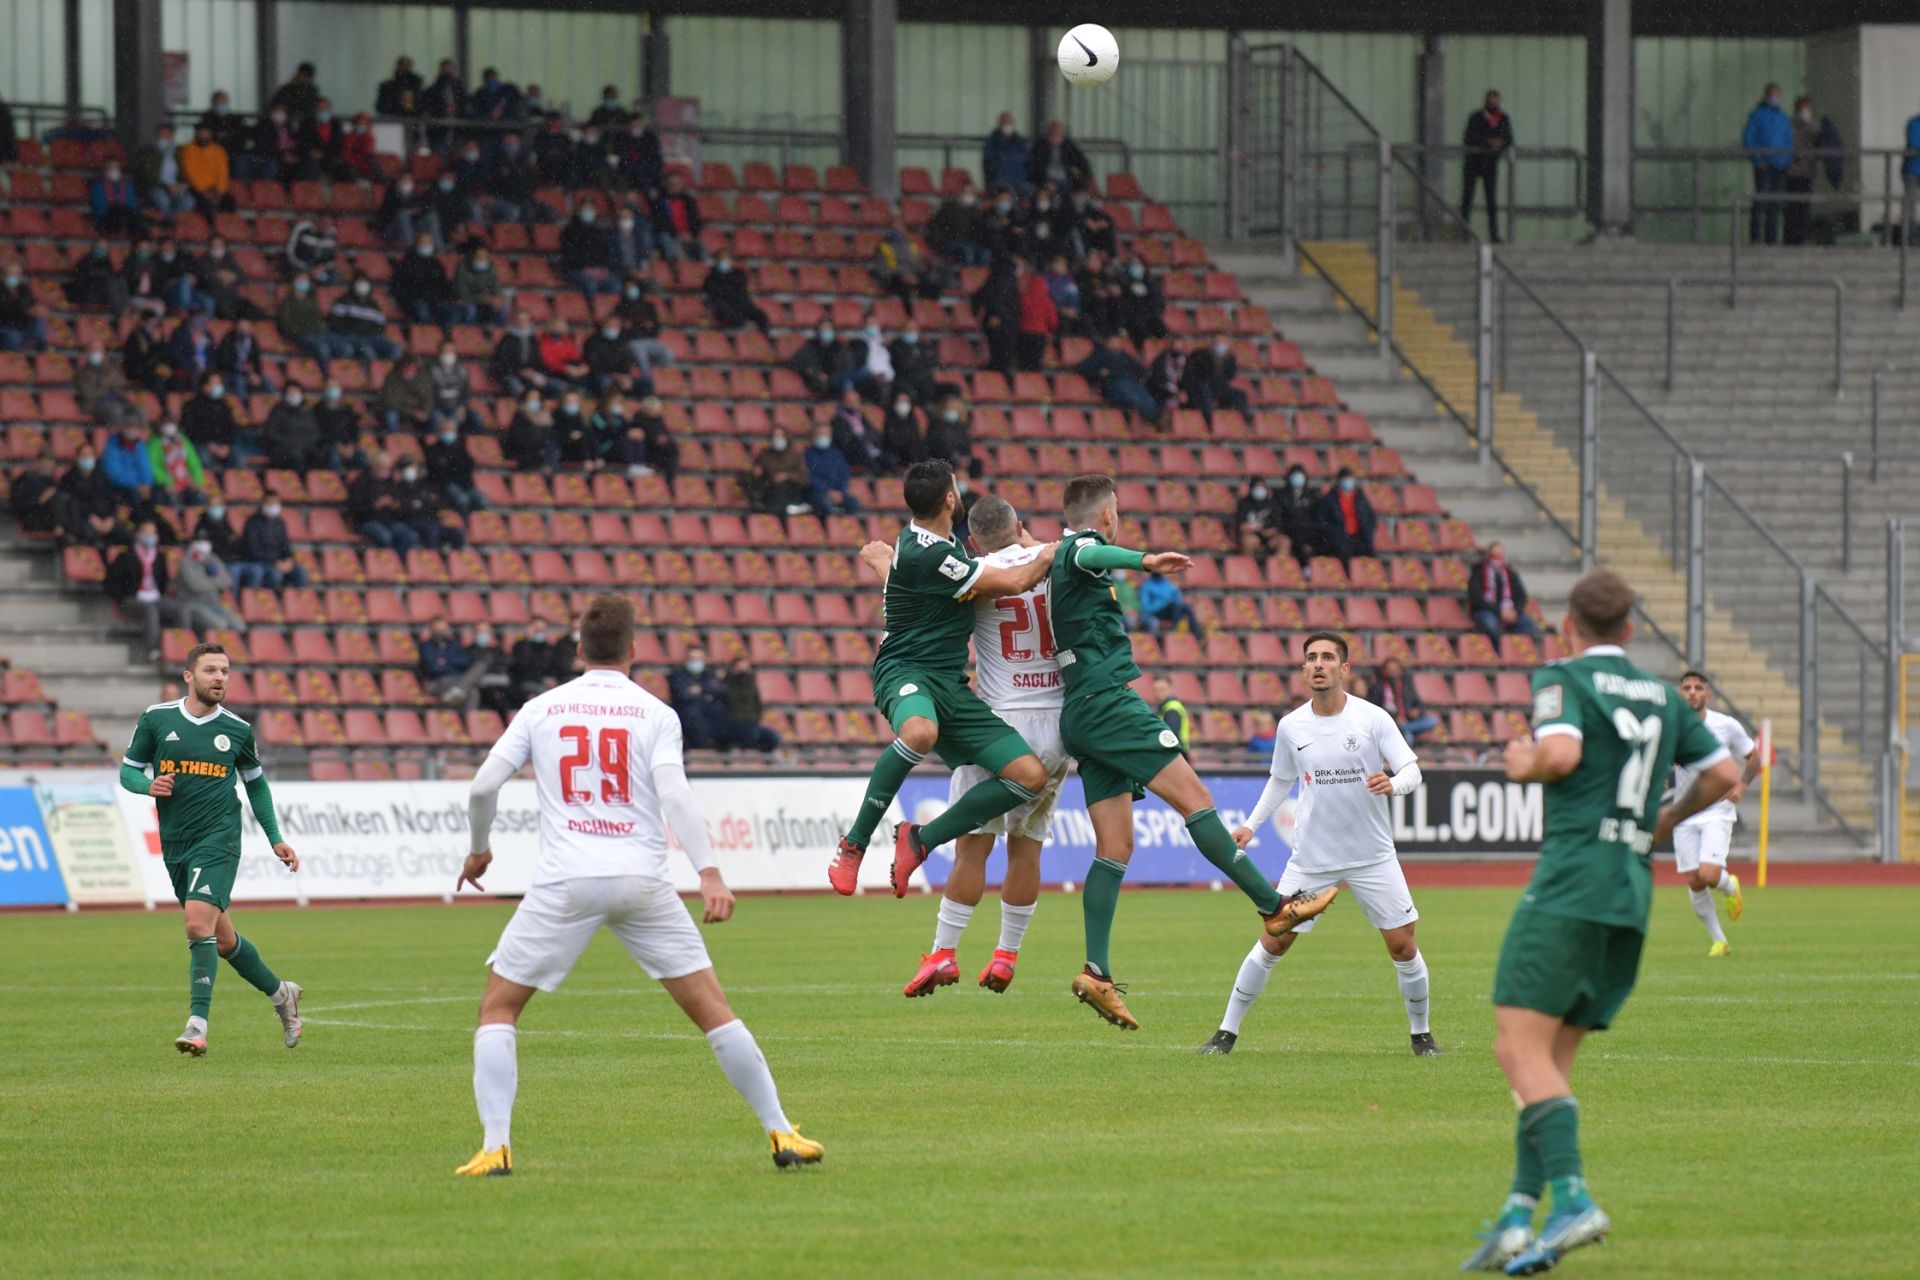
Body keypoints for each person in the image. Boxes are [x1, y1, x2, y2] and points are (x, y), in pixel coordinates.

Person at [454, 594, 823, 1176]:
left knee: (498, 1009)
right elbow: (674, 794)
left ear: (578, 648)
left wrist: (479, 850)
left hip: (565, 881)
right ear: (634, 651)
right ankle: (781, 1131)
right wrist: (708, 871)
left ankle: (495, 1146)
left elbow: (481, 788)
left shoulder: (541, 708)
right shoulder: (655, 712)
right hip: (641, 879)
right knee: (714, 1011)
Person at [1458, 568, 1737, 1274]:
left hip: (1571, 882)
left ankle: (1576, 1200)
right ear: (1632, 630)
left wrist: (1523, 764)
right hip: (1628, 892)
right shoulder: (1665, 696)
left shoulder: (1563, 678)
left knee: (1515, 1050)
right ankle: (1522, 1214)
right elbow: (1727, 774)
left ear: (1567, 629)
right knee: (1549, 1062)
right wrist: (1663, 821)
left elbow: (1560, 753)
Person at [1035, 474, 1335, 1030]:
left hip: (1079, 712)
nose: (1116, 518)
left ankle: (1096, 970)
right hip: (1106, 704)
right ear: (1105, 514)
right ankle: (1273, 906)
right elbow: (1090, 550)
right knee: (1195, 797)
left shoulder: (1056, 556)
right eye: (1116, 510)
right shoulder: (1079, 547)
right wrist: (1145, 560)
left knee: (1116, 845)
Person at [856, 495, 1066, 997]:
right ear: (1019, 524)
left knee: (974, 848)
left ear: (971, 540)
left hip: (998, 722)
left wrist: (882, 559)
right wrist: (1039, 542)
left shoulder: (972, 571)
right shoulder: (1056, 562)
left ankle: (944, 951)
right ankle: (1005, 956)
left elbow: (912, 590)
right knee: (1027, 848)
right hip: (1057, 725)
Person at [826, 460, 1062, 899]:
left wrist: (887, 566)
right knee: (919, 731)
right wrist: (1052, 551)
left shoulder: (937, 546)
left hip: (951, 686)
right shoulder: (931, 553)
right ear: (951, 499)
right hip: (906, 671)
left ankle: (919, 839)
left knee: (1030, 776)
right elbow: (1012, 581)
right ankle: (854, 843)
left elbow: (918, 588)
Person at [1202, 632, 1434, 1056]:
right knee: (1274, 939)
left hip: (1373, 856)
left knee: (1403, 945)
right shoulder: (1292, 726)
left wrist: (1394, 784)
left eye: (1328, 657)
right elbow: (1280, 780)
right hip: (1312, 858)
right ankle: (1225, 1034)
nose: (1319, 664)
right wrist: (1251, 826)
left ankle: (1422, 1036)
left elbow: (1412, 770)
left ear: (1345, 669)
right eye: (1311, 658)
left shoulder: (1373, 718)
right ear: (1304, 669)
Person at [118, 643, 304, 1057]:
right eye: (210, 670)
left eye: (224, 670)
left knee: (196, 926)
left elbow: (255, 783)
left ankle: (197, 1026)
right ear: (189, 676)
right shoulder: (157, 719)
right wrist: (147, 786)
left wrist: (275, 837)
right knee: (222, 940)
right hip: (176, 842)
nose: (220, 677)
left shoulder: (237, 729)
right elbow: (129, 771)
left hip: (219, 838)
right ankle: (282, 996)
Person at [1671, 672, 1763, 956]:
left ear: (1708, 695)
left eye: (1698, 688)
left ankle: (1729, 885)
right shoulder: (1672, 726)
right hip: (1685, 812)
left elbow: (1754, 757)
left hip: (1717, 811)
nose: (1692, 692)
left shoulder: (1726, 725)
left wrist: (1742, 786)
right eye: (1686, 688)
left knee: (1709, 874)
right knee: (1695, 880)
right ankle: (1719, 941)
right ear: (1680, 693)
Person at [667, 646, 778, 753]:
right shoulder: (677, 676)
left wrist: (699, 690)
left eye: (699, 658)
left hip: (717, 720)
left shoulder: (709, 675)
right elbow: (684, 695)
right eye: (693, 659)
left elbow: (721, 689)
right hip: (693, 724)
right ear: (686, 659)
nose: (696, 662)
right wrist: (707, 692)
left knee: (767, 736)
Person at [107, 522, 182, 657]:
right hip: (132, 598)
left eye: (152, 532)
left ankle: (180, 648)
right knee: (150, 610)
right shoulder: (126, 556)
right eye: (146, 532)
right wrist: (122, 596)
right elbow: (111, 581)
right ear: (138, 535)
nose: (150, 536)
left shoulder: (159, 556)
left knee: (181, 609)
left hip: (155, 597)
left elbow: (163, 580)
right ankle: (152, 650)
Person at [1743, 84, 1792, 246]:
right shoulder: (1757, 115)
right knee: (1761, 201)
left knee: (1775, 204)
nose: (1775, 98)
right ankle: (1756, 238)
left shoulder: (1784, 118)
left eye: (1777, 95)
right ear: (1766, 96)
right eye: (1772, 95)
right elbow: (1749, 139)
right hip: (1764, 165)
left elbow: (1788, 141)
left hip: (1780, 165)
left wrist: (1788, 161)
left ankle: (1771, 239)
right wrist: (1758, 160)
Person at [1461, 90, 1513, 243]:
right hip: (1473, 162)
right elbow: (1469, 137)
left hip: (1490, 164)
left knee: (1491, 201)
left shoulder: (1503, 119)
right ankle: (1464, 233)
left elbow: (1509, 138)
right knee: (1467, 198)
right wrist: (1488, 142)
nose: (1493, 103)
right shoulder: (1476, 117)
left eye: (1495, 101)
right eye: (1491, 100)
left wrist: (1500, 143)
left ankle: (1494, 234)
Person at [1467, 541, 1544, 644]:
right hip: (1486, 610)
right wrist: (1499, 611)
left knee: (1530, 626)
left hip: (1510, 610)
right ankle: (1500, 654)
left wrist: (1515, 611)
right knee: (1491, 625)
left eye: (1500, 555)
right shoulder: (1478, 573)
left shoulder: (1511, 574)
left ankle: (1517, 649)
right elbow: (1477, 598)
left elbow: (1521, 596)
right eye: (1494, 556)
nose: (1497, 559)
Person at [173, 537, 246, 634]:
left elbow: (228, 580)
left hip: (213, 602)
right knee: (220, 625)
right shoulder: (186, 561)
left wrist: (207, 581)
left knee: (240, 626)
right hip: (192, 603)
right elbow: (196, 586)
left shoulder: (212, 558)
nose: (204, 554)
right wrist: (216, 581)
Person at [235, 497, 308, 590]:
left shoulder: (280, 523)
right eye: (270, 504)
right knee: (275, 575)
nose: (273, 507)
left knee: (301, 572)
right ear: (263, 504)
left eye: (275, 504)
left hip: (279, 562)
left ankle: (298, 602)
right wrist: (274, 562)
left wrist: (288, 560)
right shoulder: (252, 523)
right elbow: (253, 550)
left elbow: (285, 545)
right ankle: (270, 600)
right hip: (260, 561)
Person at [348, 454, 416, 552]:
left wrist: (395, 505)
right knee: (385, 537)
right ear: (374, 466)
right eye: (382, 468)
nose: (386, 471)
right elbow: (355, 509)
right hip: (366, 521)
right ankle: (385, 562)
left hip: (388, 521)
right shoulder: (360, 482)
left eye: (388, 468)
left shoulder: (391, 483)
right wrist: (375, 506)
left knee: (411, 537)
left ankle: (397, 561)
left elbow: (402, 504)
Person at [328, 274, 402, 362]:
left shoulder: (374, 305)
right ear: (353, 284)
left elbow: (381, 326)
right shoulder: (343, 301)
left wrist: (371, 332)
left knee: (395, 350)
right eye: (359, 283)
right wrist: (352, 329)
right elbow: (336, 323)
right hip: (352, 336)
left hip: (372, 337)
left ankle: (385, 373)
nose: (362, 286)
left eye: (364, 283)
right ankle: (370, 372)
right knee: (368, 352)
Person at [392, 235, 458, 329]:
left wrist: (451, 298)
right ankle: (424, 336)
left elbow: (443, 284)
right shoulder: (407, 262)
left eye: (428, 243)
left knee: (451, 313)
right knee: (422, 312)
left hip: (434, 299)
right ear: (417, 244)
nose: (426, 246)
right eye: (423, 243)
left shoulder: (436, 264)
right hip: (414, 298)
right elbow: (399, 285)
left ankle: (444, 337)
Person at [419, 618, 486, 710]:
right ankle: (458, 690)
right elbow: (434, 668)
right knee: (472, 691)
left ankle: (469, 720)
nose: (442, 631)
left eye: (444, 628)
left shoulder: (454, 644)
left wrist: (446, 661)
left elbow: (465, 661)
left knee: (475, 686)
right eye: (439, 628)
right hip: (438, 682)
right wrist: (454, 664)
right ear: (432, 629)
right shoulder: (426, 647)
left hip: (457, 679)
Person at [1371, 655, 1440, 744]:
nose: (1393, 672)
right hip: (1390, 722)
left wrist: (1416, 711)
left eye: (1395, 670)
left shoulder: (1407, 686)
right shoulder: (1378, 687)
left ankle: (1401, 730)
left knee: (1432, 720)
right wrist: (1395, 717)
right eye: (1390, 670)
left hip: (1407, 721)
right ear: (1384, 671)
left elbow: (1418, 703)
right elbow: (1375, 708)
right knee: (1408, 736)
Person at [1315, 468, 1376, 565]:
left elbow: (1370, 517)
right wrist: (1335, 534)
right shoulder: (1329, 499)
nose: (1348, 482)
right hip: (1339, 539)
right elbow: (1322, 521)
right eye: (1345, 479)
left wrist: (1367, 531)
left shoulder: (1360, 498)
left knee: (1369, 558)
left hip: (1359, 537)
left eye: (1350, 479)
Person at [745, 428, 812, 517]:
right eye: (775, 436)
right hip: (770, 489)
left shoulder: (795, 456)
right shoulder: (764, 455)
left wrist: (787, 476)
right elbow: (757, 482)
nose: (778, 439)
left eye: (780, 436)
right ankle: (787, 509)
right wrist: (756, 475)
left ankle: (784, 509)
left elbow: (805, 479)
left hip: (791, 490)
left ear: (786, 438)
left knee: (784, 487)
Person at [560, 204, 619, 299]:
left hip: (596, 270)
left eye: (591, 209)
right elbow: (569, 256)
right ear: (578, 212)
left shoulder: (598, 231)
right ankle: (592, 311)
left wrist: (603, 268)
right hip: (575, 270)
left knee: (614, 284)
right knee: (591, 284)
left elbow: (604, 253)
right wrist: (586, 269)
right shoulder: (569, 231)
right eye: (586, 209)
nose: (589, 212)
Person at [1784, 96, 1820, 247]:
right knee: (1791, 209)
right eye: (1802, 109)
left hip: (1807, 174)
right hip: (1791, 173)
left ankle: (1801, 239)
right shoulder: (1789, 126)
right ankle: (1790, 240)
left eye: (1807, 108)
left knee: (1804, 209)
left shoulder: (1814, 127)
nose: (1805, 112)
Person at [506, 619, 567, 707]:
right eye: (537, 630)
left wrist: (553, 678)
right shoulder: (520, 646)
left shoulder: (549, 649)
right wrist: (528, 641)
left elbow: (555, 668)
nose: (539, 633)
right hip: (525, 683)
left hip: (545, 684)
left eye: (542, 630)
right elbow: (522, 666)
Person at [147, 419, 208, 508]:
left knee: (199, 496)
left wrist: (198, 481)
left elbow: (194, 462)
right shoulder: (154, 443)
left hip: (185, 481)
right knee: (170, 499)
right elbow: (151, 466)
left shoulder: (183, 440)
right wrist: (167, 481)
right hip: (164, 483)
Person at [804, 420, 860, 516]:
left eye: (826, 434)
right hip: (817, 493)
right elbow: (809, 477)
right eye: (820, 434)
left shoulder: (836, 454)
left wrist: (840, 492)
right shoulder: (808, 455)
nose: (823, 437)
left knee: (854, 504)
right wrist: (827, 491)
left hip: (837, 492)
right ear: (814, 436)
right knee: (825, 504)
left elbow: (844, 475)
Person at [790, 324, 860, 400]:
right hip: (819, 382)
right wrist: (815, 374)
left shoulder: (840, 348)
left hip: (838, 378)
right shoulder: (810, 348)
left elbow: (849, 366)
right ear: (819, 332)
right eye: (824, 330)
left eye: (829, 329)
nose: (827, 332)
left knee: (849, 381)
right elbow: (796, 363)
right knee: (849, 382)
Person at [927, 183, 987, 267]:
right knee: (967, 252)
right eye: (965, 192)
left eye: (971, 193)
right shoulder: (948, 208)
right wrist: (940, 242)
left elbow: (979, 230)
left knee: (984, 253)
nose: (968, 195)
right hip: (950, 242)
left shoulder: (976, 211)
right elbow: (935, 227)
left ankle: (981, 277)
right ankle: (967, 276)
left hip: (969, 242)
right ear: (959, 192)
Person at [1014, 258, 1058, 372]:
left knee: (1023, 365)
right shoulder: (1047, 300)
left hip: (1023, 333)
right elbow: (1053, 321)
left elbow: (1017, 314)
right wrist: (1050, 330)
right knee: (1035, 366)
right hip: (1039, 334)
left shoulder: (1023, 298)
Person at [650, 170, 704, 262]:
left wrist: (691, 234)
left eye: (678, 183)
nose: (675, 186)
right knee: (667, 240)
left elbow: (696, 221)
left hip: (688, 236)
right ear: (666, 185)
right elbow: (660, 224)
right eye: (672, 183)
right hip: (670, 235)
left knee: (702, 251)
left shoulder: (689, 201)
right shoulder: (659, 202)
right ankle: (679, 267)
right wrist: (677, 235)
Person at [504, 390, 559, 474]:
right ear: (525, 399)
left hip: (540, 453)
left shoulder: (545, 416)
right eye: (531, 398)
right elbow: (518, 439)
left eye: (537, 398)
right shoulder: (520, 416)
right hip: (523, 453)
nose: (534, 401)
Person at [1029, 121, 1092, 193]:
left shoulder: (1069, 146)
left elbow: (1082, 161)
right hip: (1046, 181)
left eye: (1058, 134)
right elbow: (1035, 168)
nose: (1056, 137)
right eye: (1053, 134)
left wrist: (1087, 176)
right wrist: (1045, 182)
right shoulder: (1040, 147)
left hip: (1065, 180)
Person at [1137, 570, 1201, 638]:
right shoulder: (1147, 586)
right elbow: (1146, 608)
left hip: (1172, 611)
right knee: (1173, 605)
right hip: (1157, 613)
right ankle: (1175, 629)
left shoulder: (1168, 584)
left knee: (1187, 608)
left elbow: (1178, 597)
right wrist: (1162, 603)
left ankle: (1197, 635)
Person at [90, 162, 146, 238]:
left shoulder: (127, 185)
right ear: (106, 170)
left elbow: (133, 204)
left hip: (125, 215)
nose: (114, 171)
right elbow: (99, 207)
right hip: (106, 218)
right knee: (117, 212)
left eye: (116, 168)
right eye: (111, 168)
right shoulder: (98, 186)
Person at [982, 112, 1029, 195]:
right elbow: (988, 164)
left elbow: (1026, 162)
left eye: (1009, 123)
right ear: (1000, 124)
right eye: (1005, 123)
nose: (1007, 126)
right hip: (998, 181)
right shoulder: (992, 141)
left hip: (1019, 180)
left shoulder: (1019, 141)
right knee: (1008, 192)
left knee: (1031, 191)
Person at [286, 218, 338, 284]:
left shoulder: (332, 233)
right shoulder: (303, 228)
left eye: (328, 224)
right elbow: (290, 253)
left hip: (319, 270)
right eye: (324, 223)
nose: (325, 226)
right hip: (300, 266)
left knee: (334, 278)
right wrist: (309, 269)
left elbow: (332, 258)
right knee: (302, 279)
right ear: (318, 221)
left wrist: (323, 268)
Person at [1152, 675, 1192, 757]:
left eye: (1162, 689)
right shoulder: (1163, 708)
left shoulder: (1172, 708)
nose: (1159, 693)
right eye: (1156, 690)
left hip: (1177, 754)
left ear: (1169, 689)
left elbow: (1172, 736)